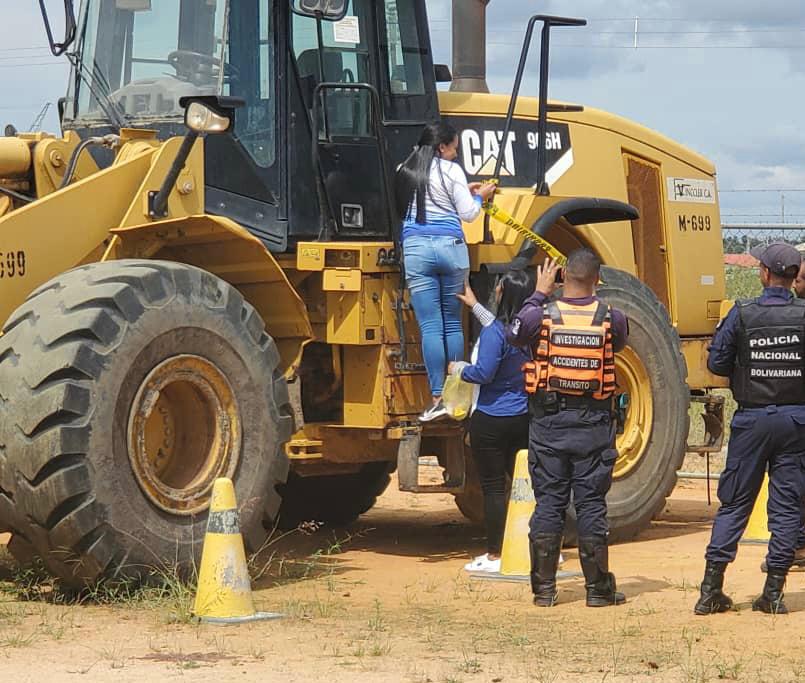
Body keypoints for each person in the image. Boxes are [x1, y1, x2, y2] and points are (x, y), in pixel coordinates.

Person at [507, 249, 629, 607]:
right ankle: (597, 590)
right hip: (593, 424)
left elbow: (515, 334)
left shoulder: (540, 315)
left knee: (549, 504)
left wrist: (539, 292)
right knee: (591, 505)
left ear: (562, 277)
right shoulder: (612, 318)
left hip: (549, 425)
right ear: (597, 279)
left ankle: (544, 591)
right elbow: (618, 345)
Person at [695, 242, 805, 616]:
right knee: (787, 506)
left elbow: (719, 363)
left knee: (736, 503)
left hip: (752, 420)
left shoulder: (742, 314)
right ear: (793, 277)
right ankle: (773, 593)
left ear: (763, 274)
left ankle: (711, 590)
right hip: (795, 423)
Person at [395, 121, 496, 422]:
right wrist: (481, 196)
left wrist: (462, 190)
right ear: (442, 147)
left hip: (416, 249)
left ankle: (437, 395)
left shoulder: (405, 168)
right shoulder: (453, 171)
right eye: (454, 147)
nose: (455, 153)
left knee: (430, 327)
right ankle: (456, 395)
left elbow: (415, 199)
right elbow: (468, 213)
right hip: (451, 248)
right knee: (452, 323)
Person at [447, 270, 534, 573]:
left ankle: (496, 555)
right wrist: (473, 304)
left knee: (495, 490)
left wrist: (458, 369)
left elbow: (483, 372)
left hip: (491, 420)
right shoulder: (530, 330)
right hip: (522, 417)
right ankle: (541, 549)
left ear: (501, 293)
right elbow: (497, 327)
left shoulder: (494, 333)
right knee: (528, 485)